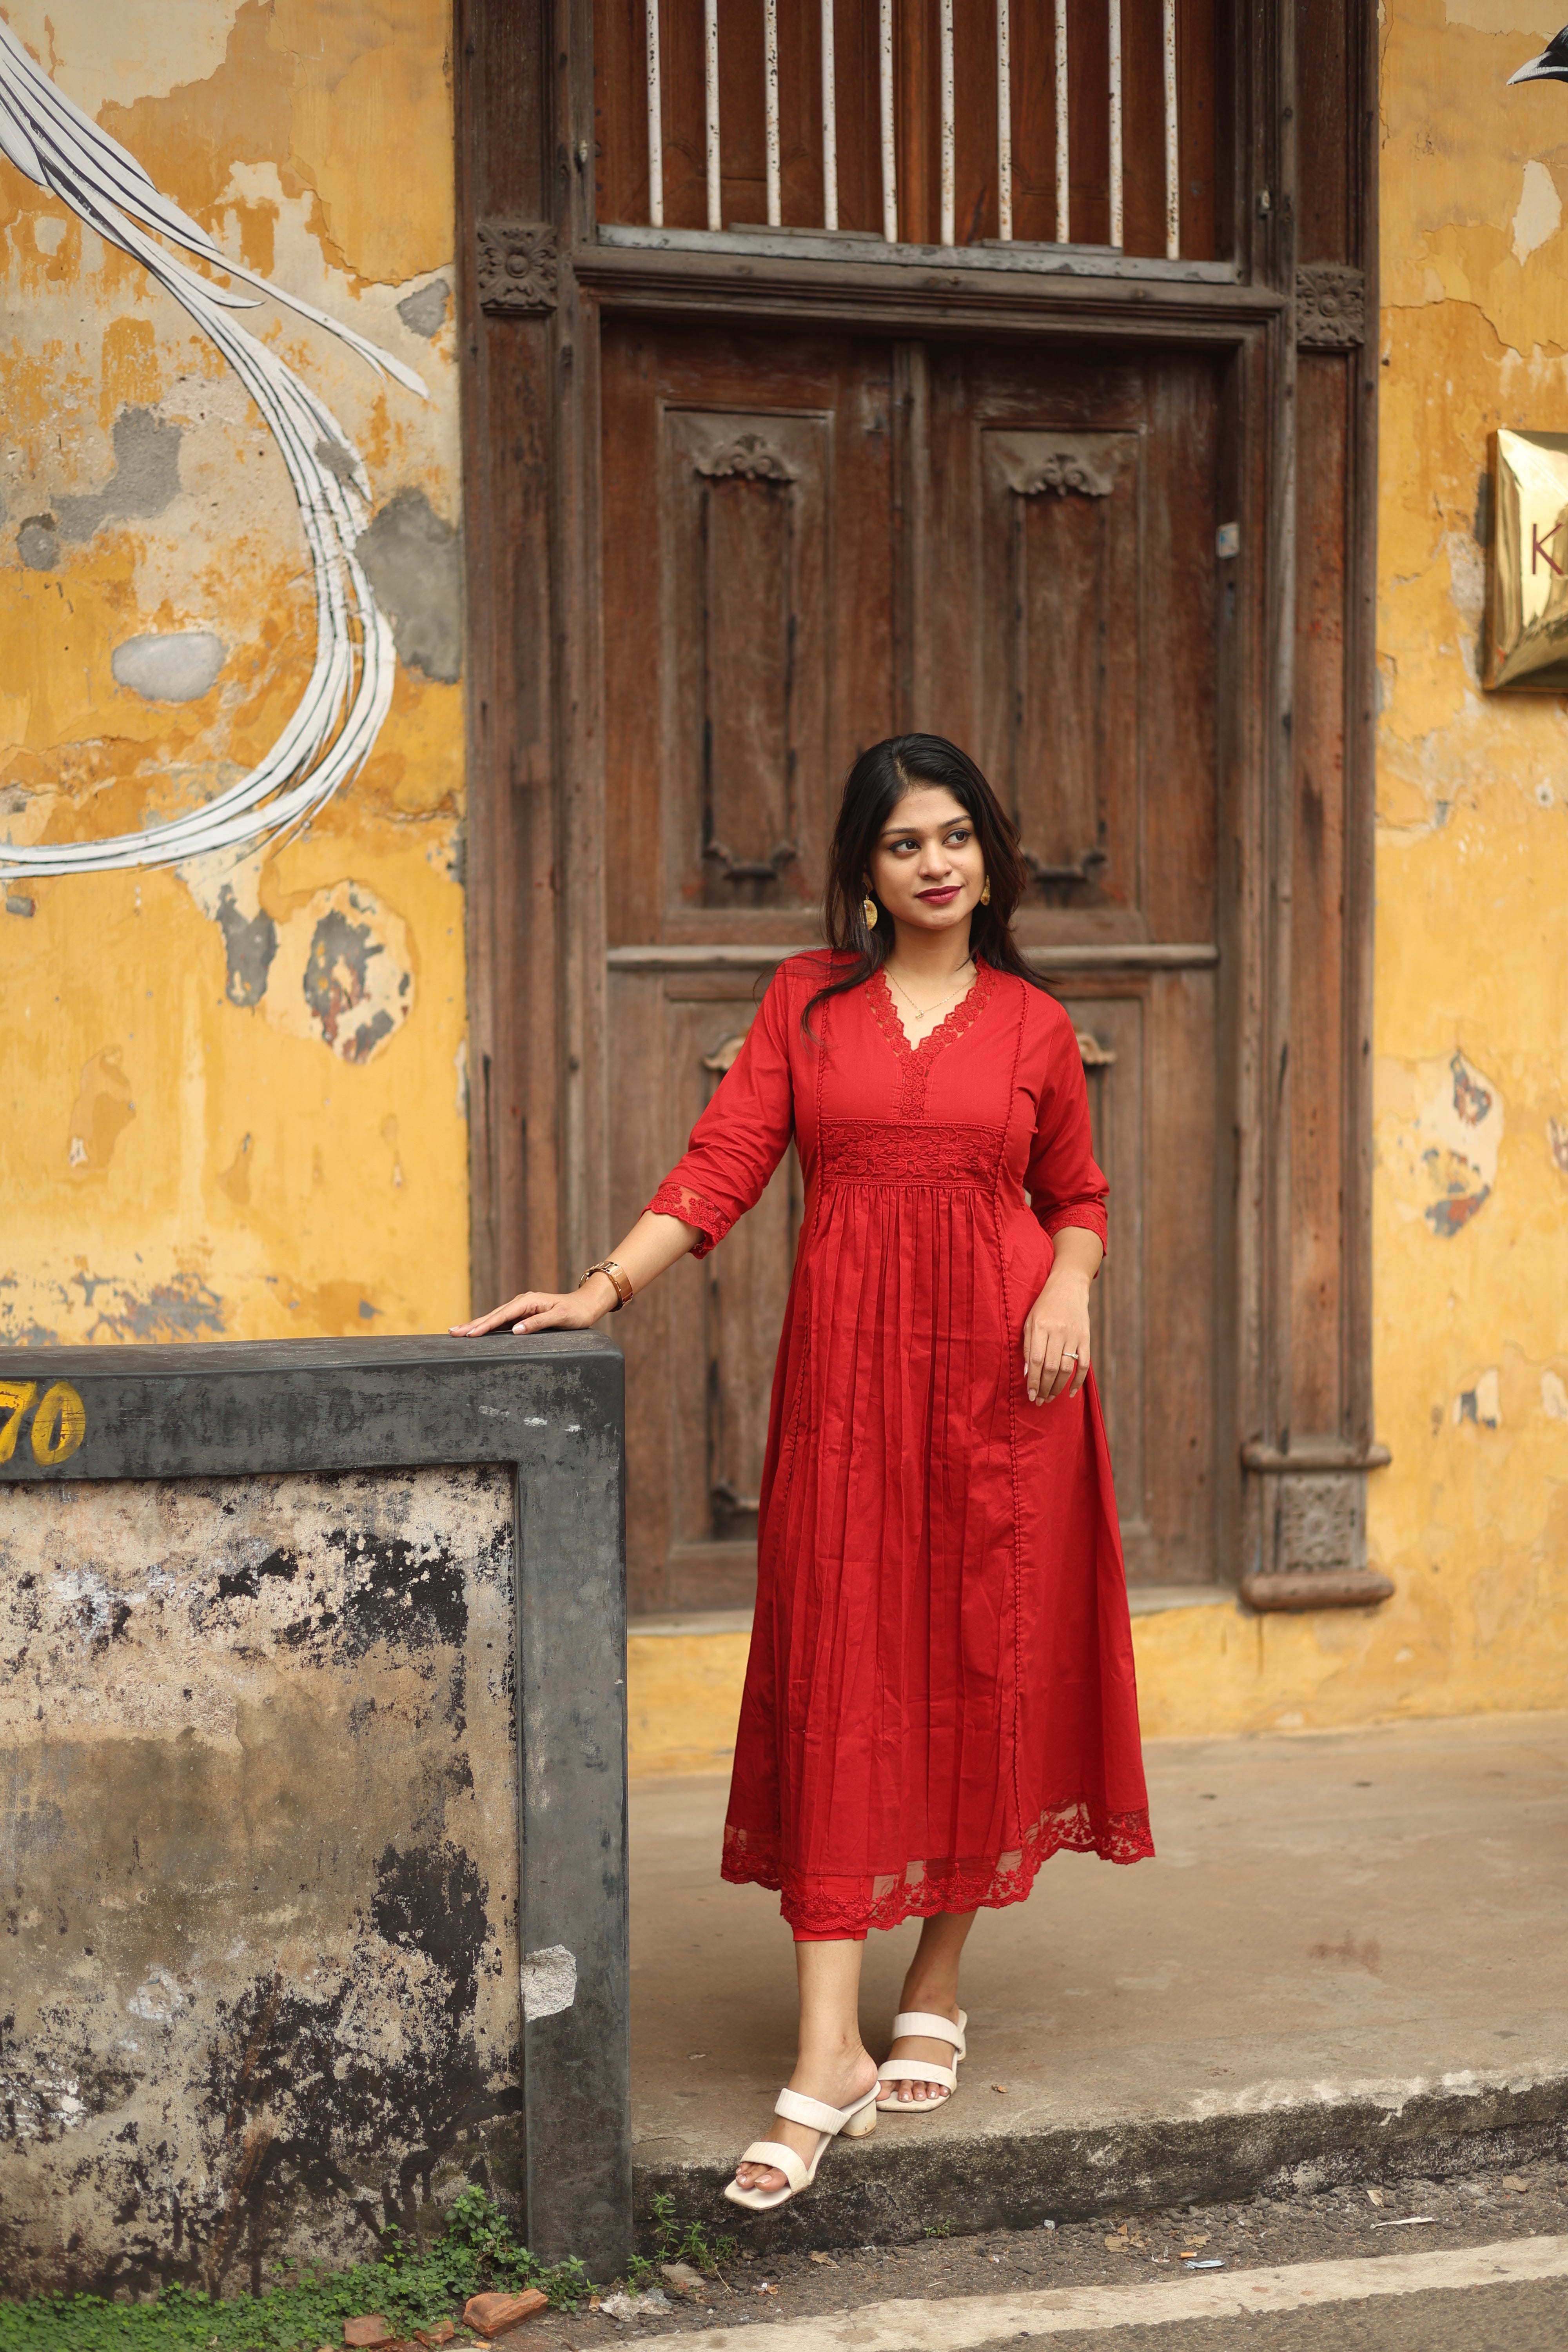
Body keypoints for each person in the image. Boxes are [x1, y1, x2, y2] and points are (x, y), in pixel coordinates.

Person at [453, 733, 1152, 2213]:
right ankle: (824, 2048)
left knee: (981, 1667)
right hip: (849, 1394)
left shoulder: (1031, 1021)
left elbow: (1076, 1196)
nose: (938, 863)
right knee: (847, 1673)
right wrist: (602, 1289)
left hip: (1004, 1383)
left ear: (990, 854)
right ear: (865, 870)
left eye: (959, 835)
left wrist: (1069, 1286)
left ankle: (937, 1981)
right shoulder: (804, 1004)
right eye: (907, 843)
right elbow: (719, 1166)